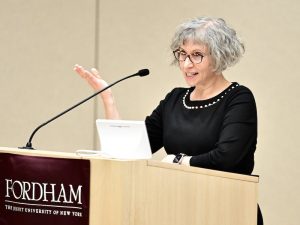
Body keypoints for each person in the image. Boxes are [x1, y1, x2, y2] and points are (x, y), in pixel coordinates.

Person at [74, 16, 263, 225]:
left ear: (219, 57)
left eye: (197, 55)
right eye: (182, 54)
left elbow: (227, 157)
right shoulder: (175, 99)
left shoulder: (238, 98)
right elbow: (128, 150)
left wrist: (180, 161)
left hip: (227, 210)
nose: (186, 64)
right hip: (178, 209)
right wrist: (107, 98)